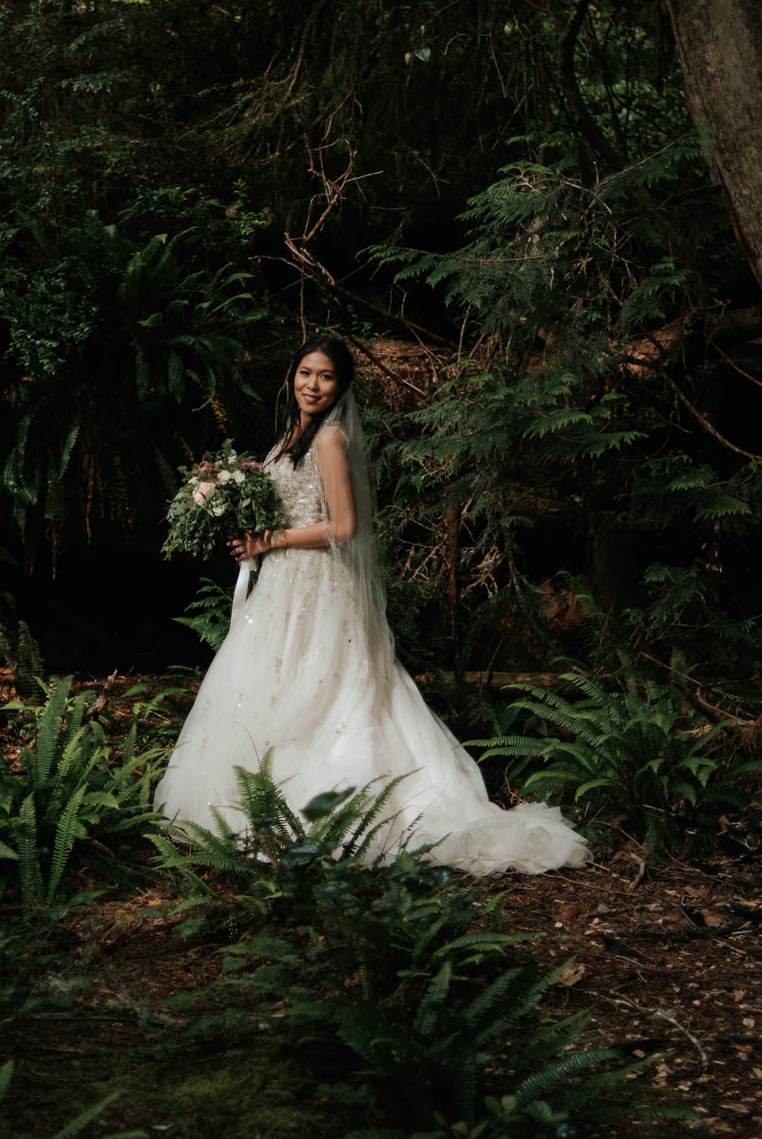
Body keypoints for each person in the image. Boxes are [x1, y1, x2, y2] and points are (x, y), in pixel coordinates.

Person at [153, 337, 590, 875]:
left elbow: (343, 526)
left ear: (342, 386)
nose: (312, 384)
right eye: (305, 372)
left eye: (326, 376)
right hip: (284, 586)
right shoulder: (293, 435)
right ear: (292, 375)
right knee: (271, 681)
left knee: (326, 689)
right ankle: (259, 804)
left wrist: (272, 541)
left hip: (317, 584)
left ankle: (322, 810)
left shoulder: (331, 439)